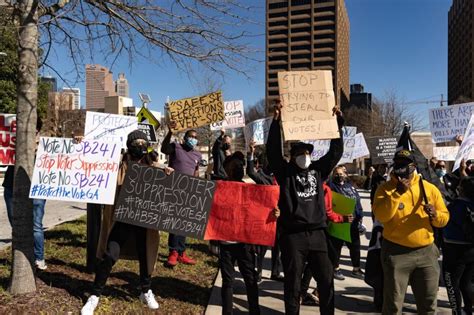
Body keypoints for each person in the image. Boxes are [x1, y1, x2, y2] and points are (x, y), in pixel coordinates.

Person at [81, 130, 172, 315]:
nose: (140, 145)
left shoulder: (153, 165)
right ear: (129, 145)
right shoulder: (117, 163)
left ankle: (145, 290)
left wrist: (167, 171)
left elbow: (166, 183)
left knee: (145, 254)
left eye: (143, 142)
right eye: (136, 142)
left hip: (144, 221)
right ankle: (95, 294)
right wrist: (81, 145)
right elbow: (94, 162)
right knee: (110, 255)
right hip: (120, 219)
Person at [266, 101, 344, 315]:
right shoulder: (285, 173)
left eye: (308, 153)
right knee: (292, 283)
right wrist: (276, 121)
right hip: (293, 236)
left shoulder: (319, 171)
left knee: (326, 281)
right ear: (292, 156)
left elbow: (335, 152)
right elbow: (272, 152)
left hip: (318, 234)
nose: (305, 156)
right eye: (300, 153)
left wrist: (338, 122)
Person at [373, 149, 450, 315]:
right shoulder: (385, 189)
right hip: (396, 253)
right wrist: (397, 194)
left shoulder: (429, 189)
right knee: (393, 305)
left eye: (405, 165)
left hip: (426, 253)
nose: (401, 168)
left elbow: (444, 219)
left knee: (429, 303)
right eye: (398, 164)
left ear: (413, 166)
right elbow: (381, 216)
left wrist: (435, 215)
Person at [219, 152, 262, 315]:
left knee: (250, 279)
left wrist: (274, 213)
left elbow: (261, 210)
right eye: (234, 165)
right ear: (226, 169)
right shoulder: (218, 188)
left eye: (240, 165)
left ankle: (255, 311)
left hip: (245, 243)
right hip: (226, 244)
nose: (238, 168)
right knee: (228, 281)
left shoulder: (251, 189)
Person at [3, 117, 48, 270]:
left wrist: (77, 141)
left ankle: (39, 257)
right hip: (11, 186)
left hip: (37, 189)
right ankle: (21, 257)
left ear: (37, 130)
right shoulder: (11, 141)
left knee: (36, 225)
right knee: (16, 225)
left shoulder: (45, 147)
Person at [300, 181, 352, 306]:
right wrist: (342, 218)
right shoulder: (324, 188)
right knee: (326, 266)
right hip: (325, 230)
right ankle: (319, 294)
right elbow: (328, 212)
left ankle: (301, 293)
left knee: (311, 265)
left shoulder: (303, 184)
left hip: (305, 230)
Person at [161, 121, 201, 267]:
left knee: (184, 222)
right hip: (174, 190)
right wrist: (170, 132)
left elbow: (196, 171)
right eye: (191, 136)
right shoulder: (176, 147)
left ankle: (182, 252)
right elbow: (164, 148)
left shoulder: (197, 154)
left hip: (189, 192)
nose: (193, 139)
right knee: (174, 221)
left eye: (196, 137)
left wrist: (197, 187)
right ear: (185, 138)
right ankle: (173, 252)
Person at [246, 141, 283, 282]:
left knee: (277, 247)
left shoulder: (285, 179)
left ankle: (275, 272)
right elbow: (250, 172)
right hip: (266, 218)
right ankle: (259, 271)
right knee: (262, 248)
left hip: (281, 217)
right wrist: (251, 154)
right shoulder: (264, 178)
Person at [442, 176, 474, 315]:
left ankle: (457, 312)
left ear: (461, 189)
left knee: (451, 283)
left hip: (454, 249)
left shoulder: (455, 205)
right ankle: (468, 310)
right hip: (471, 249)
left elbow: (443, 223)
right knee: (466, 283)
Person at [329, 166, 364, 280]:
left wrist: (360, 217)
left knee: (355, 247)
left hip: (352, 223)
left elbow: (357, 201)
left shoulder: (350, 187)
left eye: (342, 173)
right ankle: (336, 268)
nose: (340, 175)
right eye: (337, 173)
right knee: (336, 247)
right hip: (339, 222)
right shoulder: (331, 186)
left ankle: (356, 268)